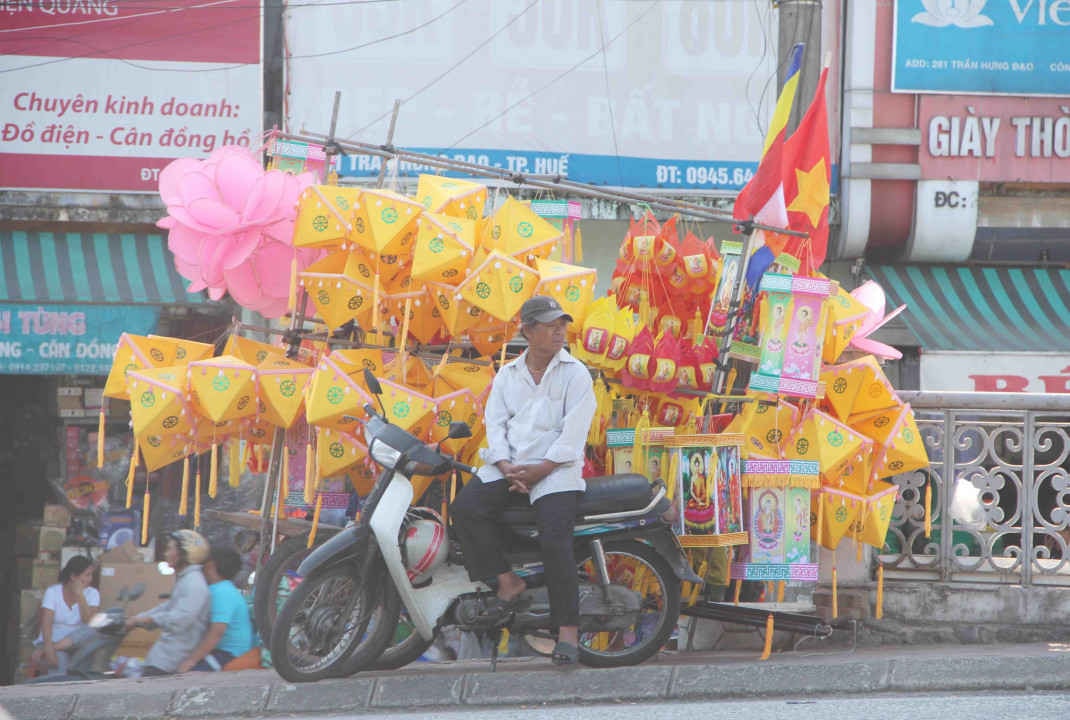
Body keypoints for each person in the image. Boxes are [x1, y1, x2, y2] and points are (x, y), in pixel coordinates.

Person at [450, 295, 597, 667]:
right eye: (550, 325)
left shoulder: (575, 373)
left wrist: (542, 469)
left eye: (562, 323)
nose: (559, 330)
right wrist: (504, 463)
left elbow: (574, 433)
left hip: (556, 471)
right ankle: (506, 581)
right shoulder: (508, 374)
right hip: (509, 466)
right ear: (528, 331)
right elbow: (494, 424)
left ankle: (567, 632)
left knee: (554, 539)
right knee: (466, 509)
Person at [124, 529, 211, 675]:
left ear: (184, 553)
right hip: (164, 655)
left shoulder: (194, 584)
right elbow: (168, 607)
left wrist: (151, 618)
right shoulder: (185, 579)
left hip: (172, 659)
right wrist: (138, 619)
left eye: (170, 549)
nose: (166, 554)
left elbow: (182, 618)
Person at [178, 545, 255, 672]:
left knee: (188, 675)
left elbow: (216, 632)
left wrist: (191, 660)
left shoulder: (221, 592)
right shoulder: (224, 589)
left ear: (210, 566)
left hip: (228, 655)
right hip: (224, 652)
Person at [30, 556, 99, 675]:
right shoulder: (53, 592)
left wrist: (80, 595)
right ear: (73, 576)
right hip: (52, 640)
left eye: (91, 575)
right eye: (87, 575)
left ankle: (54, 648)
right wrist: (48, 647)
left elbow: (88, 621)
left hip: (77, 643)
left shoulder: (93, 593)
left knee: (93, 628)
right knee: (59, 672)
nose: (90, 579)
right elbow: (46, 624)